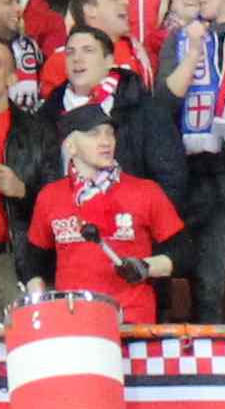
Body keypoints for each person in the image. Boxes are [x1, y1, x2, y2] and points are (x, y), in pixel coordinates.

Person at [29, 103, 187, 323]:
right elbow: (33, 261)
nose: (106, 141)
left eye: (109, 133)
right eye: (94, 134)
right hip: (72, 322)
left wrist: (146, 267)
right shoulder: (50, 196)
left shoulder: (145, 191)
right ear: (71, 146)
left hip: (131, 322)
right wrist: (39, 304)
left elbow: (183, 252)